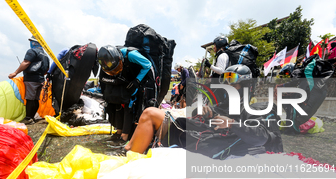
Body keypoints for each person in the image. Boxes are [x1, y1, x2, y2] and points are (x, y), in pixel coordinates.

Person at [112, 64, 283, 157]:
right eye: (227, 83)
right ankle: (127, 150)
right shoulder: (228, 103)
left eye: (234, 84)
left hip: (218, 145)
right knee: (150, 112)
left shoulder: (257, 107)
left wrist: (232, 124)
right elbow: (213, 115)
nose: (229, 87)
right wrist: (207, 111)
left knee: (150, 113)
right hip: (206, 136)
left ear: (247, 86)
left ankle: (130, 160)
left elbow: (261, 136)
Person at [98, 45, 154, 144]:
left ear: (120, 58)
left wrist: (137, 81)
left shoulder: (131, 55)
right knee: (118, 104)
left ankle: (124, 137)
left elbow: (147, 64)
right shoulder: (105, 61)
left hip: (135, 81)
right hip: (123, 82)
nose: (115, 72)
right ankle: (118, 132)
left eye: (117, 68)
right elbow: (102, 77)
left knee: (129, 107)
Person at [8, 36, 50, 124]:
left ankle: (28, 119)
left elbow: (26, 62)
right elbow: (46, 70)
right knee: (36, 99)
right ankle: (32, 118)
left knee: (30, 99)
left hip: (31, 79)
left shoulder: (32, 51)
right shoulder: (45, 55)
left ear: (35, 43)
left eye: (31, 41)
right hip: (41, 80)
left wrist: (15, 73)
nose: (30, 43)